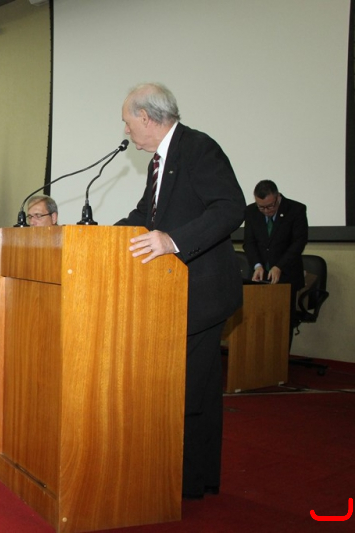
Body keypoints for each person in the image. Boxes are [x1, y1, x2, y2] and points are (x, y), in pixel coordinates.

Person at [114, 83, 245, 500]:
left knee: (187, 387)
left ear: (146, 117)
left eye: (128, 121)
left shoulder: (198, 147)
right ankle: (194, 479)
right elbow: (145, 216)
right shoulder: (160, 161)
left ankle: (180, 479)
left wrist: (173, 241)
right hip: (177, 295)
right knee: (198, 388)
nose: (126, 130)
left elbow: (230, 207)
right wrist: (97, 237)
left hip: (203, 293)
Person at [243, 180, 308, 339]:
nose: (266, 211)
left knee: (283, 326)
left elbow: (298, 243)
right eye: (261, 207)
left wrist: (279, 266)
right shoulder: (251, 211)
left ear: (278, 197)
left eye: (270, 206)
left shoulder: (296, 209)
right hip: (260, 277)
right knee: (258, 324)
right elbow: (249, 243)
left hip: (287, 276)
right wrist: (257, 265)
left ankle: (283, 355)